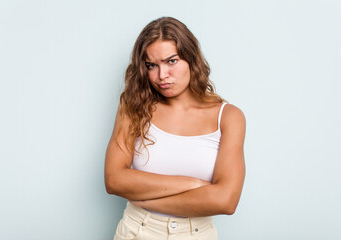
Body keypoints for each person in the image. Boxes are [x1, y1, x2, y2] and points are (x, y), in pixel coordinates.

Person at [104, 16, 246, 240]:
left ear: (191, 59)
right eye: (152, 65)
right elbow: (114, 180)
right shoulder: (134, 106)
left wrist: (144, 200)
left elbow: (226, 201)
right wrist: (191, 183)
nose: (162, 75)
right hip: (136, 231)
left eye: (171, 61)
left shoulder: (228, 117)